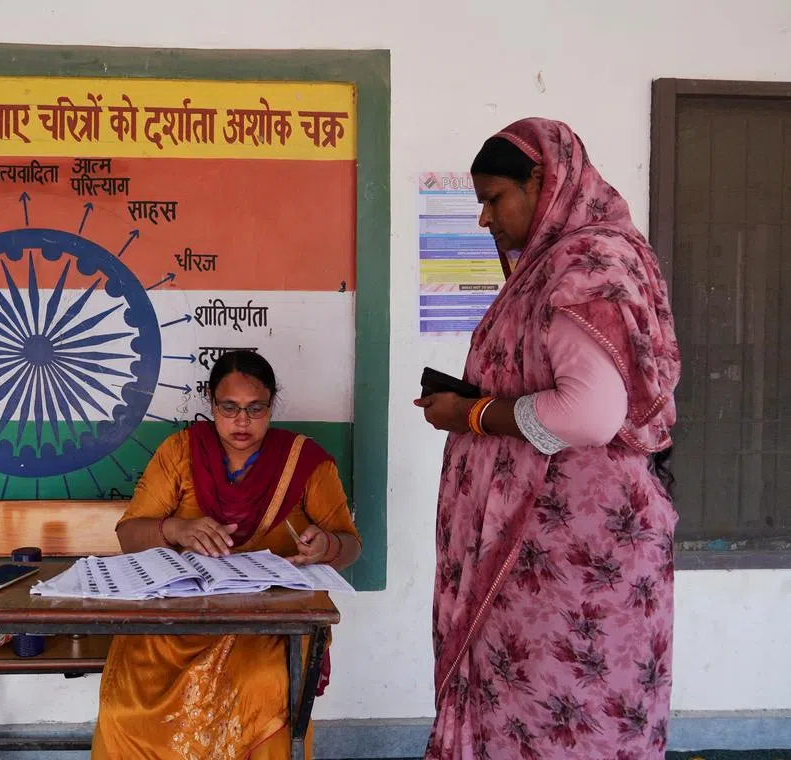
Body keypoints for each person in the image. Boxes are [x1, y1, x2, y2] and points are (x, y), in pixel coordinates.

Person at [415, 118, 681, 760]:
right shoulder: (557, 264)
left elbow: (589, 414)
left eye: (493, 198)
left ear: (543, 180)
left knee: (564, 719)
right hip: (541, 551)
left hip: (568, 557)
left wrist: (472, 415)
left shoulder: (588, 264)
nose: (484, 220)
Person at [90, 349, 362, 759]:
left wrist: (327, 546)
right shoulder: (180, 453)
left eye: (256, 409)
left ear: (272, 405)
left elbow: (351, 544)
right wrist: (175, 528)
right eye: (229, 407)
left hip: (269, 624)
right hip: (176, 618)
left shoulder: (303, 462)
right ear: (210, 402)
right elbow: (129, 534)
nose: (241, 421)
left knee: (265, 685)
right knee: (124, 704)